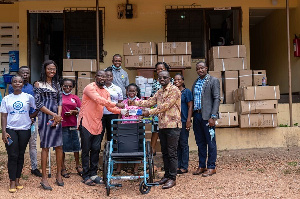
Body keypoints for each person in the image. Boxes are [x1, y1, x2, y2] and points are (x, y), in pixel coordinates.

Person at [128, 70, 181, 189]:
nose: (162, 79)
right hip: (162, 125)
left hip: (173, 126)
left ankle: (172, 178)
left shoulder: (174, 90)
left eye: (165, 77)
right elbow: (150, 101)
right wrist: (135, 103)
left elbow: (164, 106)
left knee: (172, 153)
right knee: (165, 152)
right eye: (160, 78)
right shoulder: (160, 91)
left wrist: (149, 112)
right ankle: (167, 176)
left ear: (169, 78)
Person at [78, 70, 127, 186]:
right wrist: (116, 104)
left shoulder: (105, 92)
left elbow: (108, 107)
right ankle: (86, 175)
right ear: (96, 77)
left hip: (97, 123)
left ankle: (94, 174)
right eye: (100, 76)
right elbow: (98, 100)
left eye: (104, 77)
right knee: (86, 149)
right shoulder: (90, 88)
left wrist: (121, 111)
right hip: (85, 122)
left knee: (95, 149)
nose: (102, 78)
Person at [1, 75, 37, 193]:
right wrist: (4, 131)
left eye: (20, 82)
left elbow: (37, 108)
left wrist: (30, 117)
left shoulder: (28, 97)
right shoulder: (6, 98)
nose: (17, 83)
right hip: (11, 129)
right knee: (12, 155)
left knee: (21, 154)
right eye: (15, 82)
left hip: (25, 129)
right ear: (11, 84)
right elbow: (4, 116)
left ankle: (17, 179)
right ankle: (11, 181)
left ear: (23, 84)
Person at [34, 60, 64, 190]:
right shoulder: (38, 84)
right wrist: (53, 115)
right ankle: (44, 178)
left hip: (57, 118)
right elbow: (38, 104)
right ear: (44, 70)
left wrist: (58, 116)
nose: (52, 71)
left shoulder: (57, 85)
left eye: (54, 69)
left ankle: (58, 175)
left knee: (59, 146)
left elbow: (60, 101)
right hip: (45, 117)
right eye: (49, 69)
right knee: (45, 147)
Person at [8, 66, 42, 177]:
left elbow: (36, 104)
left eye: (27, 73)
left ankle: (34, 167)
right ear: (19, 73)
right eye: (23, 73)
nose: (25, 75)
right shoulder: (12, 87)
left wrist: (32, 117)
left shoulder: (32, 87)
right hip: (17, 122)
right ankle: (17, 170)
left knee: (33, 145)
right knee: (17, 148)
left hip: (31, 121)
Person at [191, 61, 220, 177]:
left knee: (211, 142)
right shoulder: (196, 82)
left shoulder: (213, 81)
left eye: (202, 68)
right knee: (200, 142)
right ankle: (202, 165)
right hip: (197, 116)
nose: (200, 70)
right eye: (198, 69)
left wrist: (213, 116)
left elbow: (217, 99)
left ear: (206, 68)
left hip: (208, 117)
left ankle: (211, 167)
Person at [116, 83, 142, 175]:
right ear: (126, 92)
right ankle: (118, 168)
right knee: (121, 145)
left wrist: (140, 117)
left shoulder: (140, 102)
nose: (131, 92)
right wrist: (118, 128)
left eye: (133, 91)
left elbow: (142, 114)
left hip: (135, 128)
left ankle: (135, 169)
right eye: (129, 91)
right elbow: (119, 116)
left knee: (137, 146)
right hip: (124, 128)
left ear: (136, 92)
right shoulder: (123, 103)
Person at [60, 78, 83, 178]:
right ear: (62, 86)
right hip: (61, 124)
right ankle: (63, 167)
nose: (67, 88)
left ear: (72, 87)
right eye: (65, 85)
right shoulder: (58, 96)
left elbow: (81, 110)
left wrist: (74, 112)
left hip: (73, 123)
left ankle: (78, 165)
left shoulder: (75, 97)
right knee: (62, 147)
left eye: (70, 86)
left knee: (76, 146)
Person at [151, 62, 174, 156]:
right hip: (157, 110)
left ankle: (168, 151)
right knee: (155, 129)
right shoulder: (155, 82)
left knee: (168, 131)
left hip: (169, 110)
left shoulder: (172, 81)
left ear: (166, 69)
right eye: (158, 69)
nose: (160, 70)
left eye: (162, 69)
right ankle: (152, 149)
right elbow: (152, 97)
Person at [174, 74, 193, 174]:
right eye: (175, 80)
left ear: (183, 80)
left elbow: (190, 106)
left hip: (184, 120)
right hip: (174, 122)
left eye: (179, 79)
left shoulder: (187, 92)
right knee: (176, 144)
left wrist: (189, 120)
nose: (177, 81)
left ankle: (184, 166)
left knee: (183, 143)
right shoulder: (173, 92)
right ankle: (178, 165)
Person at [101, 67, 123, 142]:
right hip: (101, 114)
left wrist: (119, 116)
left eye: (110, 76)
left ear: (112, 77)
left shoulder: (117, 88)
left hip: (113, 114)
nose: (108, 78)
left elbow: (120, 104)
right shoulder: (99, 88)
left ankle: (112, 151)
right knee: (100, 133)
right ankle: (101, 150)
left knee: (112, 134)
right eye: (106, 76)